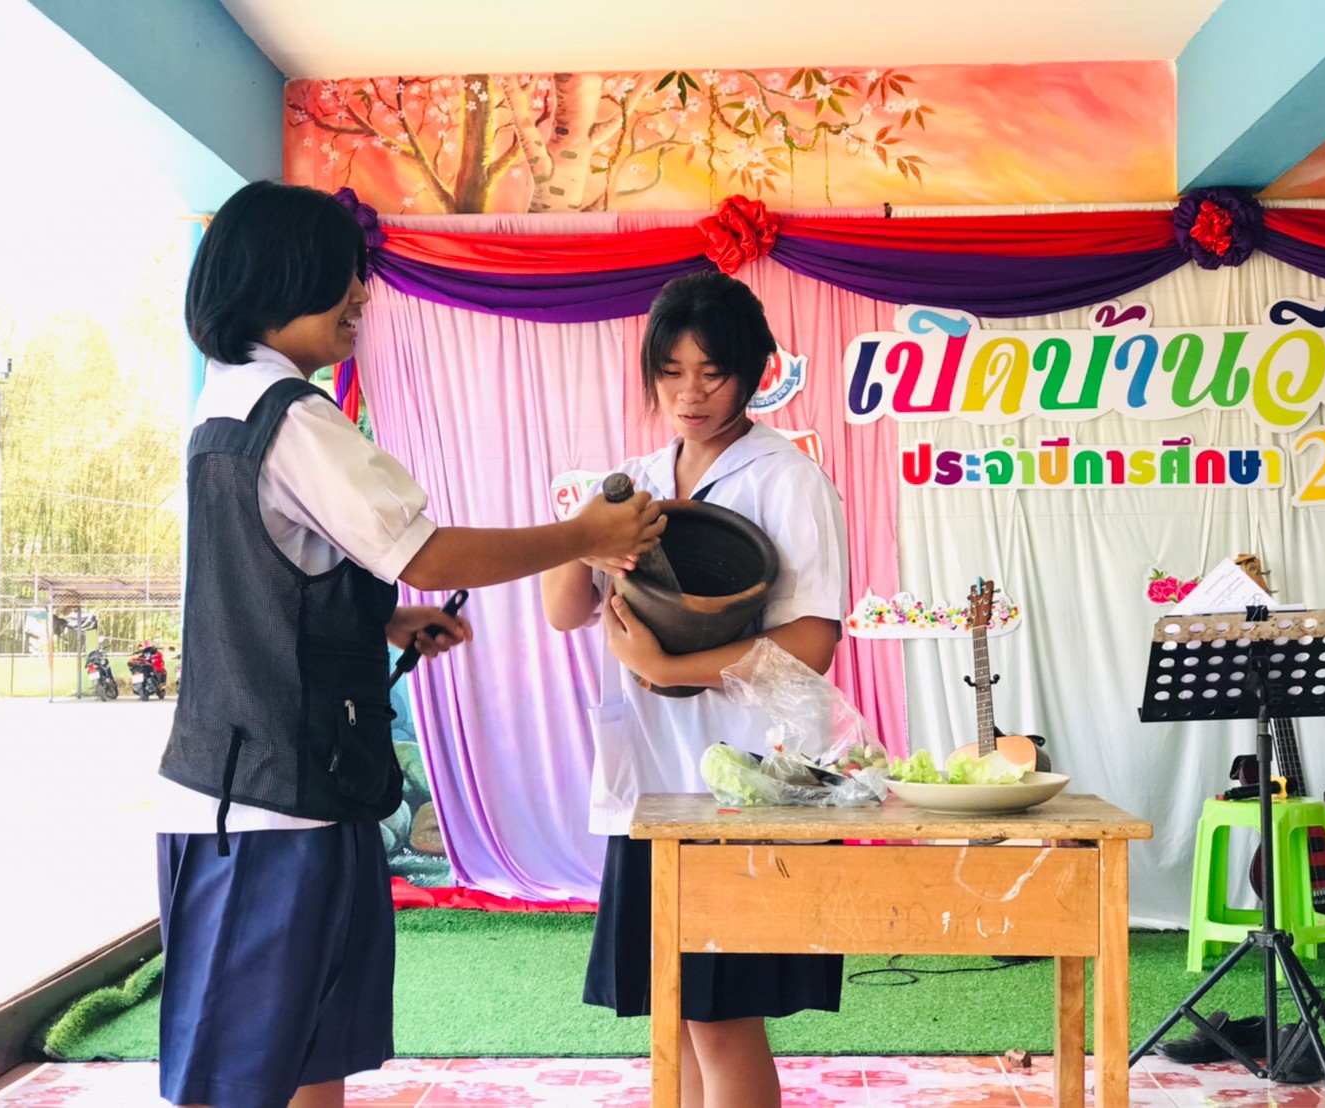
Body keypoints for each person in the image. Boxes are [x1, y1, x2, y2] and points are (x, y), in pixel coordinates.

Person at [154, 179, 665, 1108]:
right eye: (343, 275)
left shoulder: (221, 408)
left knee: (307, 1058)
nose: (362, 294)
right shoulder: (293, 416)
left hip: (267, 789)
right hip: (274, 807)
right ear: (278, 281)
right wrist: (584, 536)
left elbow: (261, 585)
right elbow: (426, 554)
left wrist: (378, 622)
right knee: (258, 1075)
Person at [540, 271, 849, 1108]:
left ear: (754, 373)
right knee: (672, 1013)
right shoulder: (634, 481)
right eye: (671, 372)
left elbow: (812, 645)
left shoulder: (785, 479)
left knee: (722, 1020)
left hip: (745, 786)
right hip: (652, 782)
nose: (690, 394)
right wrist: (583, 540)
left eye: (713, 373)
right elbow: (565, 612)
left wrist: (669, 669)